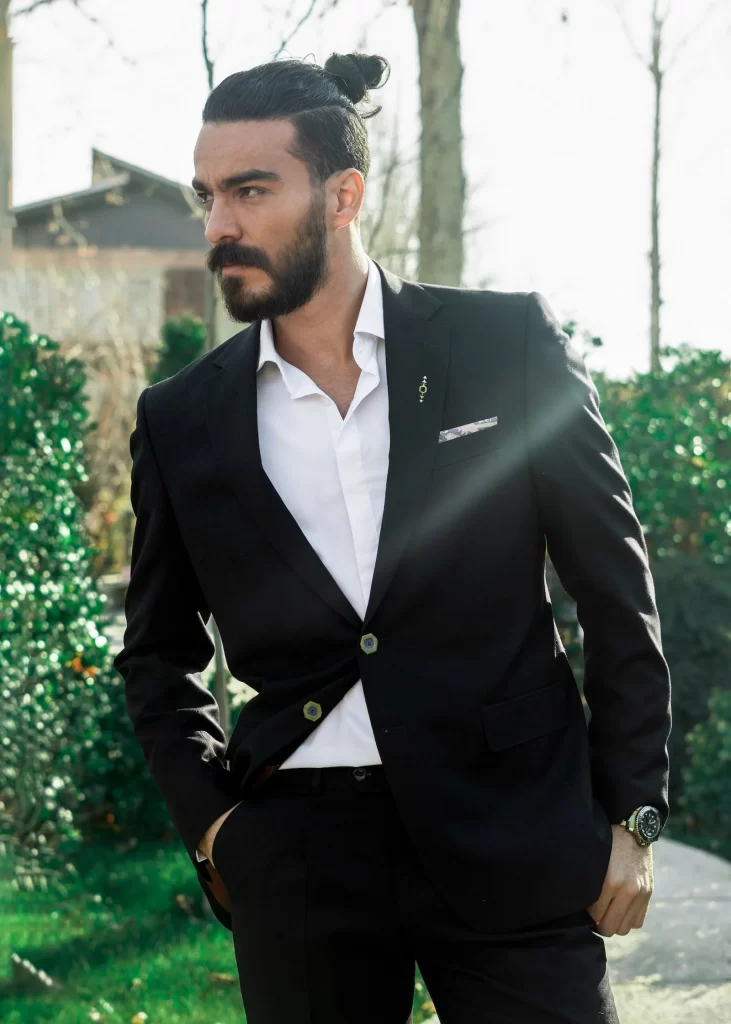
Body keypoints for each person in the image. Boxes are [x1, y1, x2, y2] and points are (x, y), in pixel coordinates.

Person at [114, 50, 671, 1024]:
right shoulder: (182, 417)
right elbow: (156, 654)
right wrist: (215, 827)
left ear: (342, 195)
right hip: (298, 858)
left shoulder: (500, 348)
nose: (218, 226)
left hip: (514, 827)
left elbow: (612, 586)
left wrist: (630, 814)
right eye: (208, 195)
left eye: (250, 190)